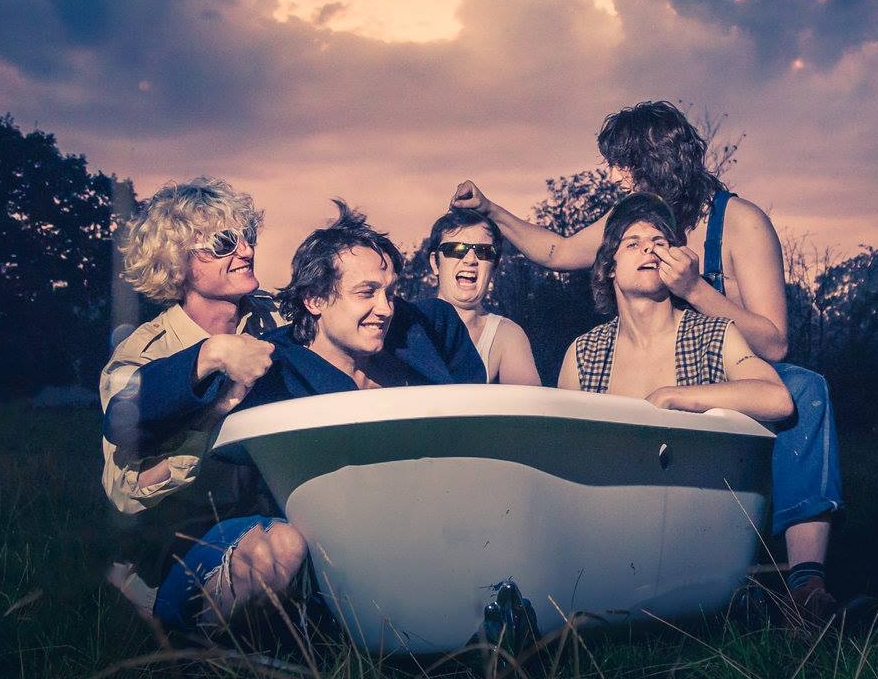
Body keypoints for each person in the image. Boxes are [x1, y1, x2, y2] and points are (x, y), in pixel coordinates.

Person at [452, 99, 846, 625]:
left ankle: (805, 582)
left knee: (802, 392)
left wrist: (695, 290)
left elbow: (773, 344)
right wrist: (490, 210)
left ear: (661, 162)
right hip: (644, 367)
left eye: (625, 163)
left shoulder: (741, 223)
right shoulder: (632, 219)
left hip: (722, 365)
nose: (615, 177)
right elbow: (556, 252)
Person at [99, 178, 307, 638]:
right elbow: (125, 489)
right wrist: (210, 364)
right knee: (283, 547)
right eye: (223, 242)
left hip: (279, 518)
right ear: (178, 263)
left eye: (247, 237)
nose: (246, 251)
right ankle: (194, 656)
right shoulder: (143, 353)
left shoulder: (279, 320)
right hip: (175, 553)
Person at [558, 193, 793, 428]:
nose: (649, 248)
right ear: (610, 267)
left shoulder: (712, 336)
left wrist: (673, 396)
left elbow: (777, 398)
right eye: (633, 243)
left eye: (659, 242)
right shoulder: (584, 355)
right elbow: (562, 439)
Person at [233, 201, 486, 412]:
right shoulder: (273, 370)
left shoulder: (421, 329)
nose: (386, 309)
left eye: (390, 292)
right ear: (314, 299)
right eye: (366, 293)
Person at [424, 207, 540, 384]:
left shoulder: (507, 336)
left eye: (484, 251)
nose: (470, 260)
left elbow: (528, 408)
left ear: (494, 265)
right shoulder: (404, 324)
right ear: (435, 263)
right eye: (455, 249)